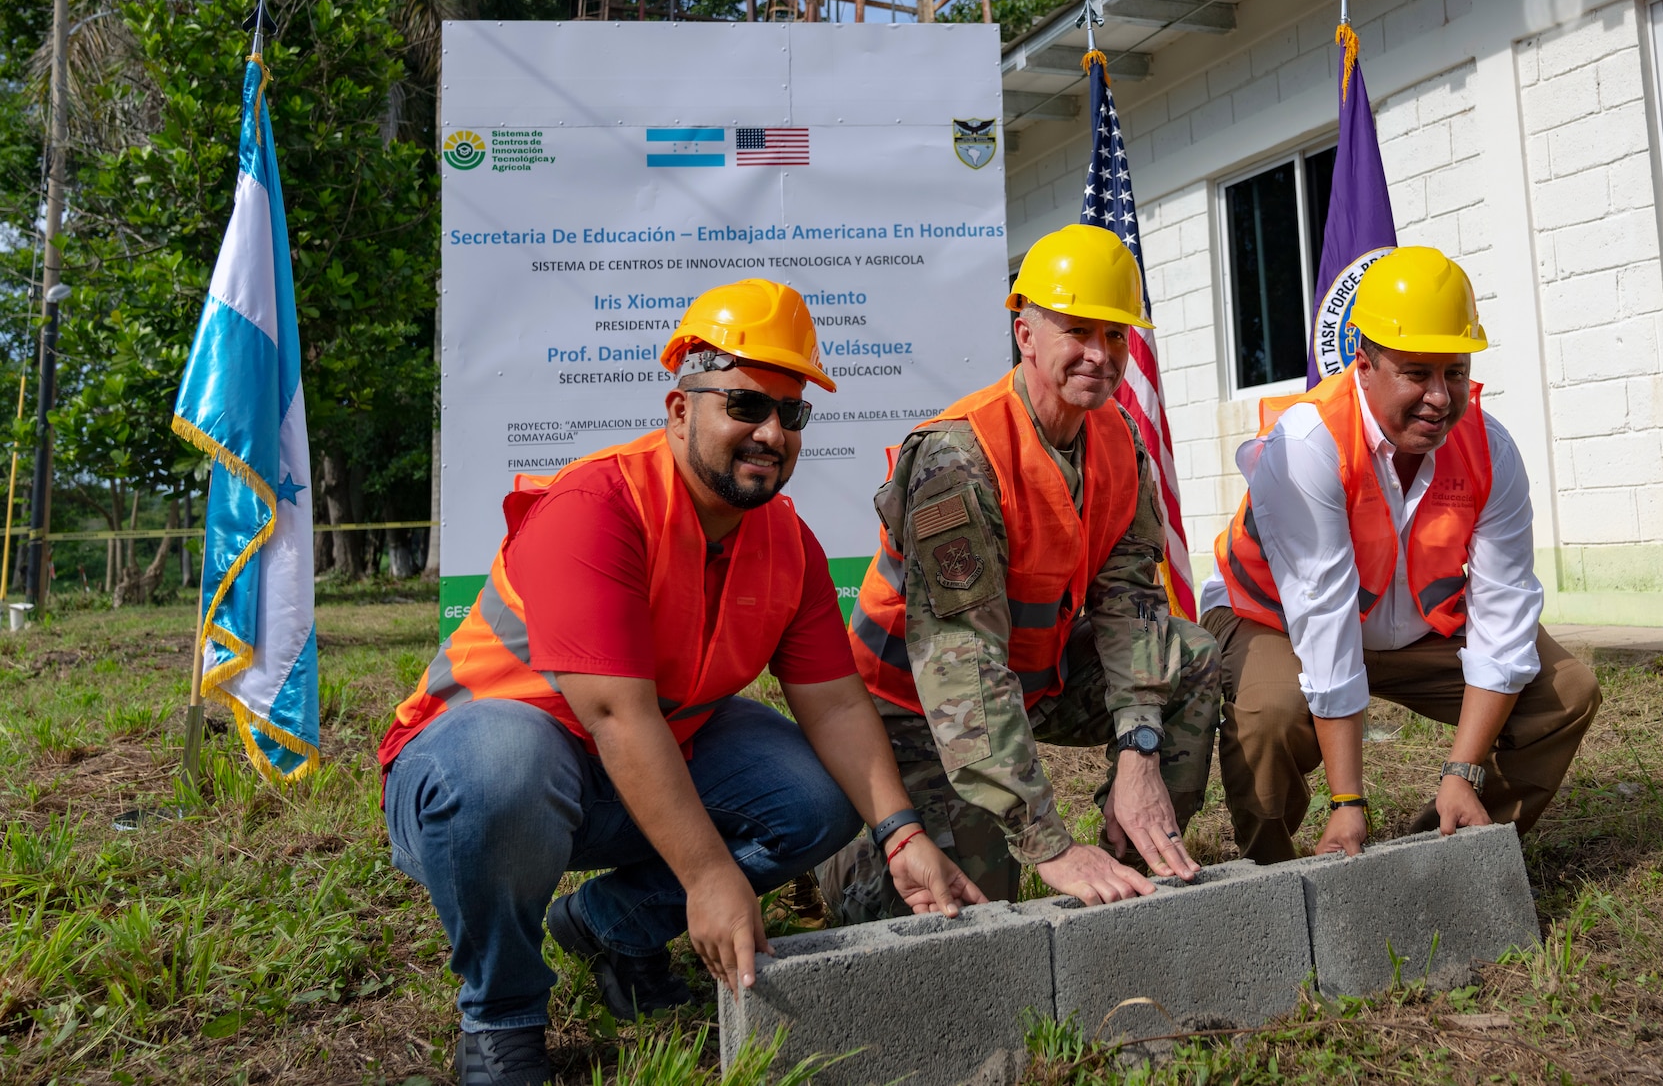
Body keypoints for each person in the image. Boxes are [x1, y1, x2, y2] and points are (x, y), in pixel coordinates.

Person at [378, 279, 983, 1086]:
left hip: (635, 766)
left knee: (821, 796)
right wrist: (708, 877)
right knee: (504, 773)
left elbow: (836, 702)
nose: (770, 431)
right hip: (480, 767)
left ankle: (610, 924)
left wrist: (901, 834)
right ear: (678, 409)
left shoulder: (787, 543)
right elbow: (617, 716)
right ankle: (503, 1015)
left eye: (790, 413)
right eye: (744, 404)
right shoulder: (598, 505)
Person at [817, 224, 1222, 919]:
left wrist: (1139, 746)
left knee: (1190, 653)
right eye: (1077, 330)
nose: (1100, 354)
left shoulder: (1120, 439)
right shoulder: (958, 461)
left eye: (1116, 336)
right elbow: (962, 667)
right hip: (911, 708)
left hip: (1033, 681)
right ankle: (838, 854)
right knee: (973, 908)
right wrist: (1048, 843)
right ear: (1025, 332)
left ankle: (1137, 867)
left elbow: (1131, 603)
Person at [1201, 247, 1601, 864]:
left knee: (1566, 691)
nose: (1440, 398)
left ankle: (1444, 853)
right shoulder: (1308, 443)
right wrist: (1347, 801)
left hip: (1413, 636)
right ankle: (1274, 876)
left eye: (1455, 373)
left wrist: (1463, 769)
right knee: (1272, 714)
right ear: (1364, 364)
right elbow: (1323, 617)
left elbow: (1503, 612)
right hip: (1275, 621)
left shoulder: (1491, 449)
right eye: (1417, 373)